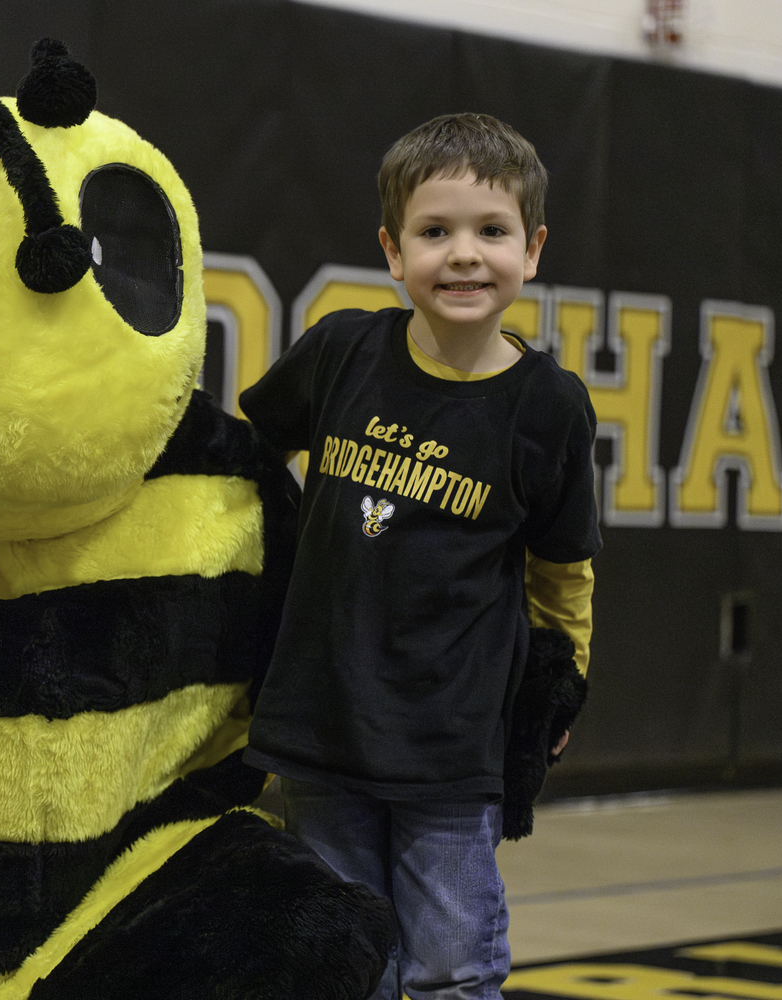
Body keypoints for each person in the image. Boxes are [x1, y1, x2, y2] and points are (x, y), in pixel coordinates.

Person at [239, 113, 600, 1000]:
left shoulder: (548, 407)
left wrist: (562, 680)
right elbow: (243, 459)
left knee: (449, 967)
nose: (464, 255)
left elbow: (563, 570)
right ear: (393, 252)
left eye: (491, 231)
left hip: (451, 745)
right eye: (435, 232)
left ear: (534, 247)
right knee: (343, 963)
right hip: (321, 727)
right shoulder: (339, 353)